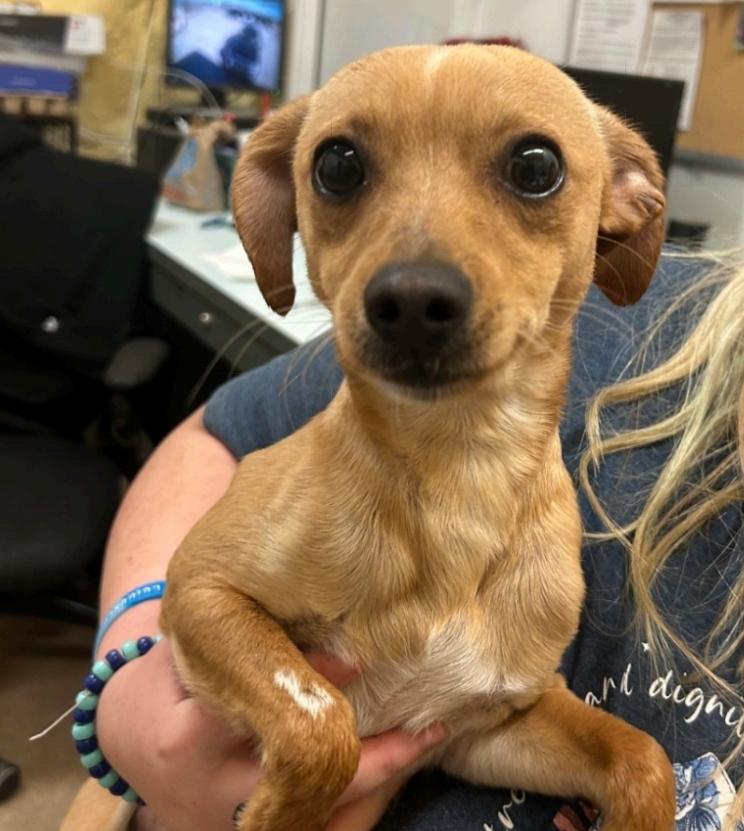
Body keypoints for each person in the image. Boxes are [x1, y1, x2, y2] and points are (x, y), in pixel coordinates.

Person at [92, 249, 744, 831]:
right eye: (343, 171)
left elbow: (485, 720)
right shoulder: (610, 310)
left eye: (532, 172)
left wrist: (633, 773)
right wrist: (125, 673)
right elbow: (212, 441)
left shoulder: (545, 570)